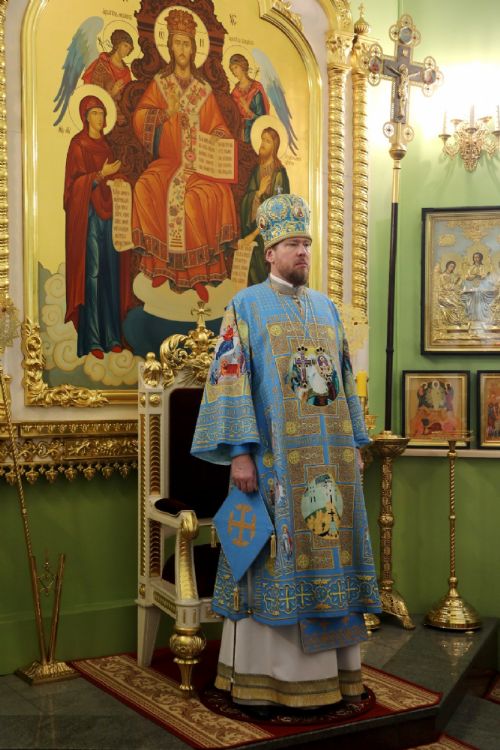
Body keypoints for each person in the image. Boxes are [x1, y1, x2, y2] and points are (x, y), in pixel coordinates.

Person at [192, 193, 381, 715]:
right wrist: (240, 454)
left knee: (331, 551)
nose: (302, 252)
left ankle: (336, 679)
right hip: (273, 464)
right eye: (293, 244)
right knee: (274, 561)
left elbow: (343, 378)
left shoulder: (326, 308)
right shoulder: (246, 306)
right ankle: (266, 681)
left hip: (330, 463)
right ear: (270, 252)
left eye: (306, 244)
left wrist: (355, 440)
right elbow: (230, 381)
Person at [131, 9, 238, 302]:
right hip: (168, 163)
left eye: (186, 43)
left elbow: (218, 126)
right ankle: (161, 267)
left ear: (193, 49)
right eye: (177, 43)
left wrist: (217, 137)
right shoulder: (160, 84)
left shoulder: (203, 90)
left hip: (199, 167)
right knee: (145, 186)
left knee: (198, 198)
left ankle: (198, 273)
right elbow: (139, 117)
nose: (182, 49)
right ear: (170, 46)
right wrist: (163, 114)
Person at [64, 95, 132, 358]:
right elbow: (73, 187)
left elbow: (113, 175)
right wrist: (101, 175)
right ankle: (92, 339)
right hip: (89, 217)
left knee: (110, 272)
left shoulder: (106, 146)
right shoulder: (78, 145)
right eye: (95, 113)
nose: (100, 117)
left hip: (109, 215)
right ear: (85, 116)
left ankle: (113, 336)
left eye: (102, 113)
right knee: (92, 274)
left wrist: (118, 180)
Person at [240, 126, 290, 285]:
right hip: (254, 233)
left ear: (274, 146)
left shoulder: (279, 173)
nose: (262, 144)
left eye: (267, 141)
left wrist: (253, 235)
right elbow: (246, 201)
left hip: (269, 236)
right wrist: (257, 193)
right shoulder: (256, 171)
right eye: (262, 139)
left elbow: (277, 209)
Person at [82, 30, 134, 125]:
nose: (127, 50)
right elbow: (95, 94)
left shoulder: (126, 71)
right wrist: (113, 92)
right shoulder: (102, 64)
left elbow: (129, 96)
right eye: (125, 45)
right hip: (105, 113)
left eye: (129, 48)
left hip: (124, 113)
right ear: (117, 44)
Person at [229, 53, 270, 142]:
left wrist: (248, 111)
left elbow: (262, 118)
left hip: (253, 135)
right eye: (232, 69)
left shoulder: (256, 89)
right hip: (238, 134)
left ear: (242, 66)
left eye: (236, 67)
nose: (234, 72)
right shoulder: (235, 92)